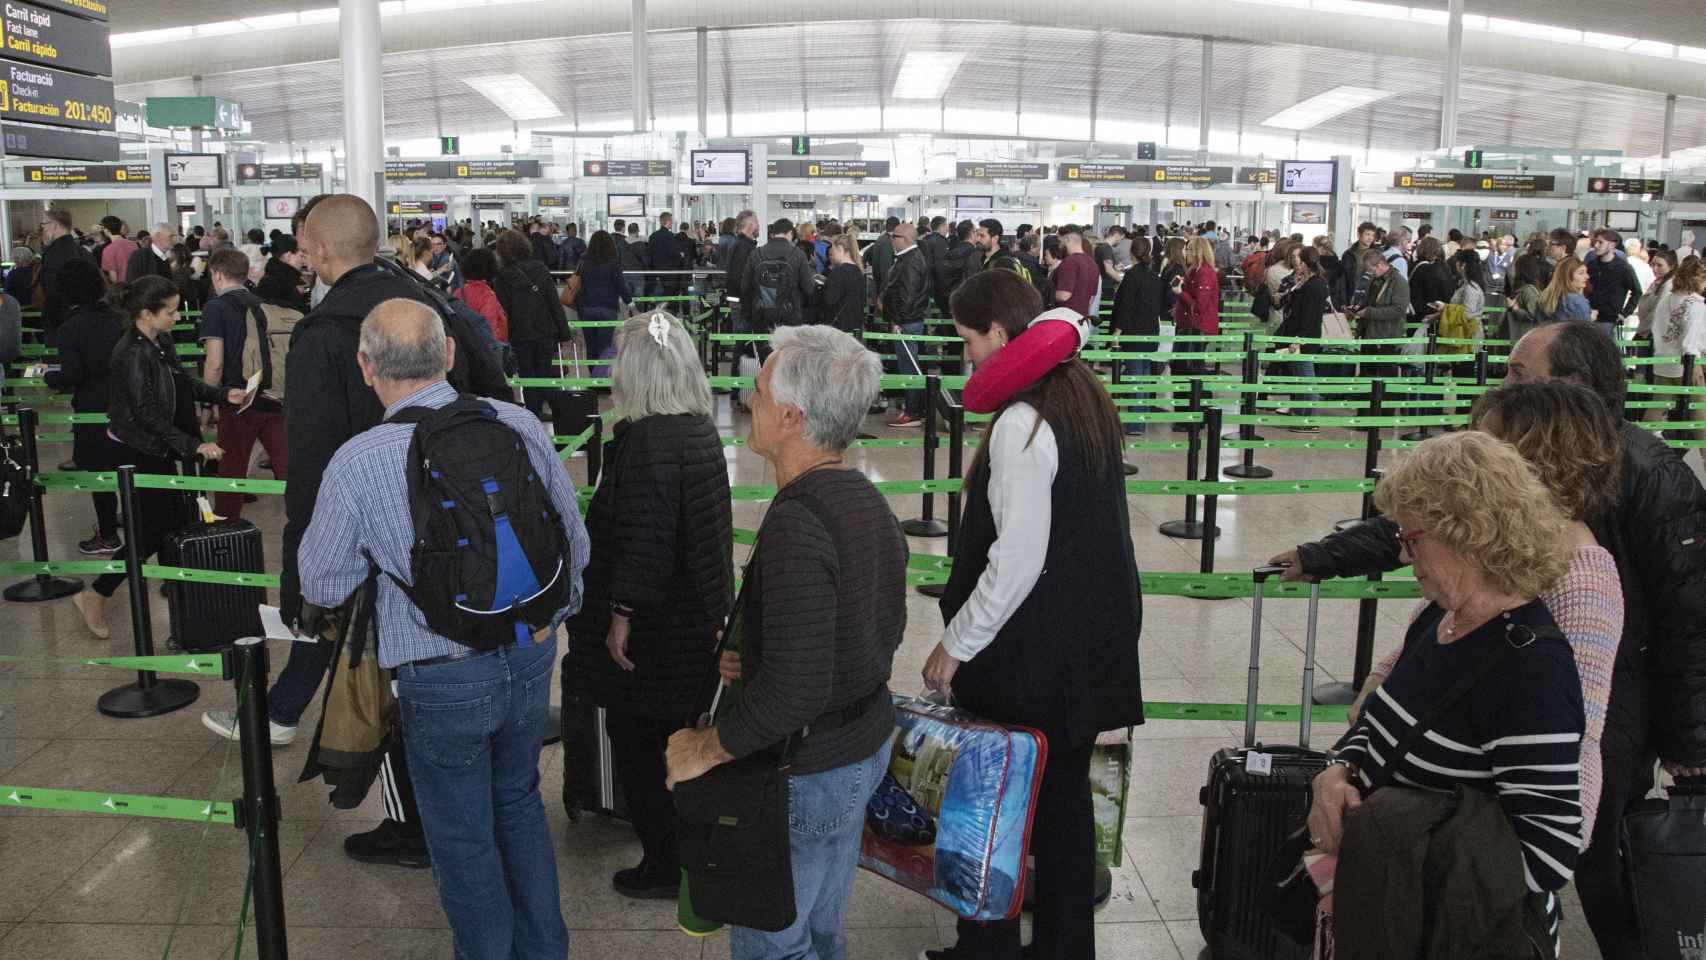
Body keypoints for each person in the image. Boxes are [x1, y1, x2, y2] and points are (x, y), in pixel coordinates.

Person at [1274, 322, 1706, 960]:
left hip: (1461, 914)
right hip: (1409, 897)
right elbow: (1406, 555)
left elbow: (1561, 818)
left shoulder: (1565, 601)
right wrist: (1341, 767)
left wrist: (1691, 747)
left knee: (1615, 894)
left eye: (1516, 376)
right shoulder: (1467, 590)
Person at [299, 298, 587, 960]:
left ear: (366, 367)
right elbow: (574, 540)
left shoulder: (358, 460)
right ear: (450, 355)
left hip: (438, 674)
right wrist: (549, 622)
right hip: (530, 651)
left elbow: (323, 583)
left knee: (460, 836)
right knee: (518, 803)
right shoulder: (515, 423)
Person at [664, 324, 906, 960]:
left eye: (760, 388)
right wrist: (769, 650)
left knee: (776, 942)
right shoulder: (863, 498)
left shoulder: (800, 520)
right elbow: (876, 626)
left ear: (792, 416)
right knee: (821, 928)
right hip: (860, 744)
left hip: (813, 768)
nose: (748, 397)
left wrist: (708, 748)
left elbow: (799, 692)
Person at [924, 270, 1144, 960]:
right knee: (1062, 805)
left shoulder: (1024, 421)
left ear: (998, 333)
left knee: (994, 802)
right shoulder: (1081, 396)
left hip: (1030, 654)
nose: (967, 357)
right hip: (1084, 644)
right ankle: (1064, 946)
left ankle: (984, 948)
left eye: (968, 340)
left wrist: (956, 644)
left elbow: (1016, 559)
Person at [1306, 431, 1585, 954]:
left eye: (1413, 540)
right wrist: (1337, 771)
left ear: (1467, 532)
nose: (1406, 558)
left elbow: (1549, 851)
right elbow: (1377, 723)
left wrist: (1392, 852)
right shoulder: (1442, 618)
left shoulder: (1532, 668)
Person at [564, 311, 731, 900]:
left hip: (654, 629)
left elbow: (645, 538)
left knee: (641, 745)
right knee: (678, 738)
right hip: (694, 618)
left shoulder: (648, 441)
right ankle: (685, 852)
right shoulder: (698, 429)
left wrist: (621, 614)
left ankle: (662, 862)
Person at [65, 276, 244, 639]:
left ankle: (180, 605)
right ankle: (96, 593)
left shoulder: (158, 341)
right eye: (171, 311)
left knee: (173, 525)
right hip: (139, 450)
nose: (177, 317)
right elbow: (145, 412)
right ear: (146, 313)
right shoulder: (130, 353)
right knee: (150, 532)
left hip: (159, 446)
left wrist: (225, 395)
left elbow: (183, 382)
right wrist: (192, 445)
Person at [42, 260, 126, 554]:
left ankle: (107, 534)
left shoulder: (71, 328)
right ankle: (130, 518)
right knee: (128, 466)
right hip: (126, 404)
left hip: (92, 407)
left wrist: (48, 376)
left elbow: (72, 375)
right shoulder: (120, 318)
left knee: (100, 473)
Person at [199, 248, 288, 520]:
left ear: (216, 274)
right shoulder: (261, 304)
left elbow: (214, 363)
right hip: (273, 396)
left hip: (238, 399)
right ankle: (309, 521)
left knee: (231, 469)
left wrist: (208, 404)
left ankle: (225, 529)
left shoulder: (216, 307)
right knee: (287, 467)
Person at [493, 229, 573, 420]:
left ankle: (534, 412)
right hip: (545, 330)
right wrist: (564, 333)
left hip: (519, 333)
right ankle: (558, 412)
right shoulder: (540, 268)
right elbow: (553, 302)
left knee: (527, 374)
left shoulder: (501, 276)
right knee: (545, 373)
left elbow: (503, 310)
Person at [1109, 236, 1165, 436]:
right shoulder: (1154, 277)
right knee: (1145, 375)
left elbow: (1126, 307)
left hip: (1133, 334)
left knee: (1135, 377)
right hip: (1150, 332)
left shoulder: (1132, 277)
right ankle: (1143, 414)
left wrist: (1117, 333)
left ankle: (1135, 424)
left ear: (1132, 252)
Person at [880, 221, 931, 428]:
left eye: (895, 236)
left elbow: (907, 296)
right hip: (906, 320)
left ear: (907, 239)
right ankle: (913, 409)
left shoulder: (911, 261)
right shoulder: (907, 258)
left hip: (906, 323)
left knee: (910, 367)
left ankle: (913, 412)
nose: (892, 239)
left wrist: (898, 320)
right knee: (908, 365)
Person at [1275, 247, 1328, 429]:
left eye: (1300, 260)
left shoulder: (1315, 285)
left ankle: (1309, 420)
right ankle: (1300, 412)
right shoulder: (1307, 283)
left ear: (1305, 263)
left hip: (1304, 338)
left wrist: (1299, 338)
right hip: (1299, 335)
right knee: (1299, 376)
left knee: (1306, 378)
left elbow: (1309, 317)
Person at [1654, 257, 1706, 439]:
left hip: (1663, 362)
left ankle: (1637, 458)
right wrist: (1694, 363)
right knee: (1701, 421)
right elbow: (1691, 340)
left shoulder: (1667, 299)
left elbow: (1657, 329)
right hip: (1688, 365)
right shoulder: (1696, 304)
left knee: (1653, 417)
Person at [573, 229, 635, 370]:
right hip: (607, 309)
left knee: (591, 346)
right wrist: (630, 303)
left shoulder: (583, 261)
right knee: (605, 347)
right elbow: (621, 285)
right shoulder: (613, 262)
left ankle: (593, 381)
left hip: (586, 308)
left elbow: (576, 281)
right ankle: (602, 380)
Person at [40, 210, 94, 343]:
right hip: (85, 317)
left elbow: (53, 289)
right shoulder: (83, 251)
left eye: (44, 224)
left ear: (54, 225)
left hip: (61, 320)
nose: (43, 229)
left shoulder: (53, 253)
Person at [1586, 229, 1642, 337]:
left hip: (1608, 320)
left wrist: (1624, 313)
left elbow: (1637, 291)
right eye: (1595, 242)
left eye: (1600, 242)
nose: (1596, 245)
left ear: (1612, 245)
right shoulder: (1591, 265)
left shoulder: (1624, 268)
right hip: (1589, 316)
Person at [457, 248, 508, 343]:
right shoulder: (488, 295)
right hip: (483, 348)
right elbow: (489, 329)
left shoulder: (458, 292)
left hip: (465, 346)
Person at [818, 233, 865, 333]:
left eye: (833, 249)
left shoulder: (838, 272)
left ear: (840, 248)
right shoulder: (858, 271)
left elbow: (829, 300)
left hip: (838, 327)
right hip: (855, 325)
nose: (832, 254)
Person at [1049, 225, 1098, 317]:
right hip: (1081, 320)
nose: (1059, 245)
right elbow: (1091, 297)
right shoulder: (1092, 263)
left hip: (1065, 319)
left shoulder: (1069, 262)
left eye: (1060, 241)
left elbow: (1064, 295)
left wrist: (1045, 294)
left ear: (1067, 239)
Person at [1503, 249, 1547, 343]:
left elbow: (1534, 316)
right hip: (1519, 336)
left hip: (1524, 338)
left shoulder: (1529, 290)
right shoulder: (1525, 289)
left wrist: (1515, 308)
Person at [1634, 248, 1678, 340]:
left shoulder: (1669, 285)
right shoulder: (1658, 281)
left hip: (1653, 335)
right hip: (1649, 331)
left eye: (1659, 265)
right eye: (1652, 264)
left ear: (1672, 266)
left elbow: (1657, 312)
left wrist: (1641, 331)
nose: (1654, 268)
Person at [255, 236, 309, 311]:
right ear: (288, 256)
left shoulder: (278, 279)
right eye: (301, 256)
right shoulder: (275, 284)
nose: (303, 261)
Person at [1535, 256, 1591, 325]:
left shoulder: (1546, 297)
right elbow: (1585, 331)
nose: (1587, 276)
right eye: (1581, 273)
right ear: (1567, 276)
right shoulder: (1577, 301)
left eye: (1586, 272)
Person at [1408, 236, 1453, 321]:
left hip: (1413, 313)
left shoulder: (1412, 265)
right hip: (1427, 316)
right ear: (1436, 250)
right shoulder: (1430, 269)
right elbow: (1438, 294)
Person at [99, 216, 138, 285]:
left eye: (103, 228)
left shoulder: (108, 250)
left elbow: (114, 279)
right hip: (136, 286)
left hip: (122, 291)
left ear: (107, 230)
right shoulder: (134, 245)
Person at [867, 216, 899, 291]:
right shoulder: (886, 243)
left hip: (879, 282)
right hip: (883, 285)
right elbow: (885, 269)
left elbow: (867, 254)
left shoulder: (882, 238)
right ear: (896, 227)